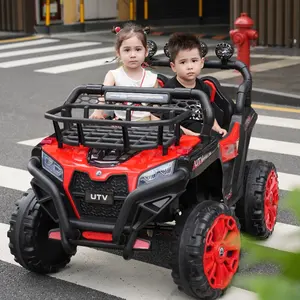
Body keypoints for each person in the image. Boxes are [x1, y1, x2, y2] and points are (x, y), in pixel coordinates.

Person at [90, 22, 160, 121]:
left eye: (138, 49)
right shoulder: (113, 75)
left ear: (146, 51)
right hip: (121, 125)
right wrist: (98, 111)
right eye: (127, 50)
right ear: (118, 52)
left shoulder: (152, 78)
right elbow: (103, 95)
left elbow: (156, 108)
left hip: (146, 125)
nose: (132, 55)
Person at [163, 32, 227, 137]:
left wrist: (217, 128)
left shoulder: (203, 87)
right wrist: (191, 134)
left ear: (201, 63)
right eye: (183, 62)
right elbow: (168, 121)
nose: (190, 66)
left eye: (194, 61)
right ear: (173, 66)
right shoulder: (170, 89)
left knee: (221, 137)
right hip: (180, 133)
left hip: (201, 129)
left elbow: (209, 112)